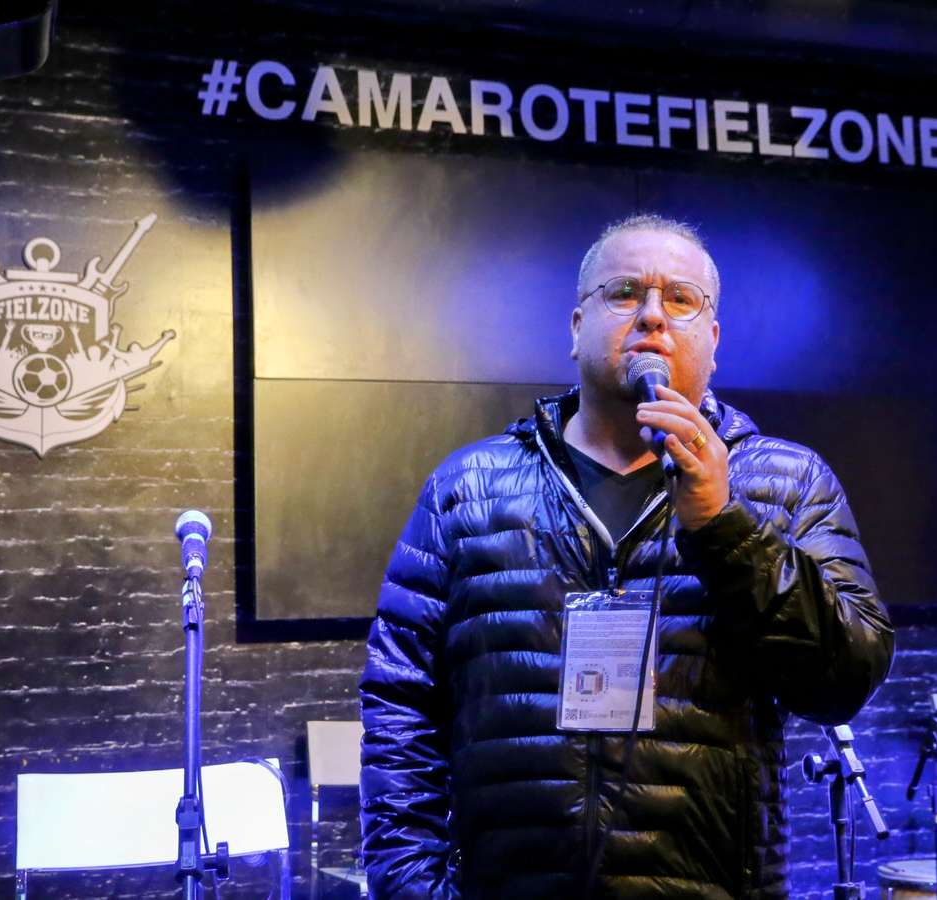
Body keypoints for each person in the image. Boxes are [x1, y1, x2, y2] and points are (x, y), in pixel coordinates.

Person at [359, 214, 894, 899]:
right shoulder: (467, 488)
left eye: (681, 298)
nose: (652, 315)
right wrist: (412, 885)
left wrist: (724, 525)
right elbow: (400, 702)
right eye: (624, 293)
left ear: (714, 340)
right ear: (577, 325)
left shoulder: (788, 483)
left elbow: (842, 682)